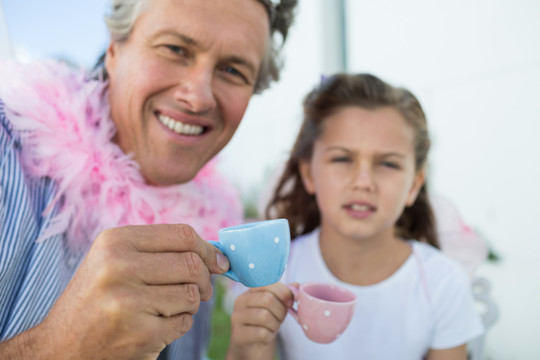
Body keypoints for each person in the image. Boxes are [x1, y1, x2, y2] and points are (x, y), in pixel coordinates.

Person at [0, 0, 297, 359]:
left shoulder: (202, 222)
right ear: (114, 47)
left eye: (233, 70)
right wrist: (53, 347)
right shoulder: (7, 151)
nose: (198, 96)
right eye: (175, 49)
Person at [227, 73, 484, 360]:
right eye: (342, 159)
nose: (363, 182)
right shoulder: (275, 274)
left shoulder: (443, 283)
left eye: (387, 163)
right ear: (309, 173)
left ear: (414, 185)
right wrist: (247, 345)